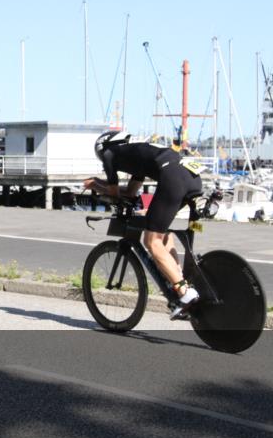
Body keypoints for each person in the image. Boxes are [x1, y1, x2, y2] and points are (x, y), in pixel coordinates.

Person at [83, 130, 203, 318]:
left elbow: (115, 194)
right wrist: (101, 184)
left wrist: (95, 184)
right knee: (161, 232)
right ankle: (177, 277)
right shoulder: (138, 155)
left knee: (151, 241)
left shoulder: (109, 154)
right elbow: (131, 192)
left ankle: (185, 293)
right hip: (191, 177)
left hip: (173, 177)